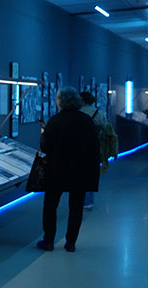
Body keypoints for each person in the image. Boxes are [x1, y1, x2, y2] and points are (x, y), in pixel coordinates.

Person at [37, 87, 100, 253]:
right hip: (81, 171)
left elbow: (46, 146)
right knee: (76, 207)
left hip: (57, 170)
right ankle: (71, 242)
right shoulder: (86, 121)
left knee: (50, 205)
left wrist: (43, 133)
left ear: (61, 101)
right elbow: (94, 147)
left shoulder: (55, 121)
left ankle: (48, 240)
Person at [79, 92, 107, 210]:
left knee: (78, 174)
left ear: (82, 100)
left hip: (78, 147)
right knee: (90, 174)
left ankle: (78, 199)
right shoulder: (98, 113)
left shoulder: (77, 113)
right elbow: (105, 128)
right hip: (94, 147)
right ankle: (88, 201)